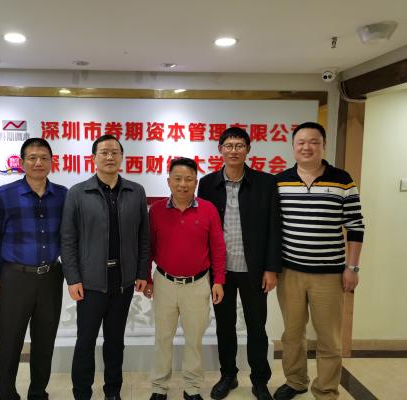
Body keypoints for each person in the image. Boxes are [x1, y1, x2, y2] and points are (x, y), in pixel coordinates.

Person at [273, 122, 364, 400]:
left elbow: (356, 226)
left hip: (329, 274)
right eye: (301, 142)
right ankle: (296, 381)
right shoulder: (280, 181)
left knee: (329, 338)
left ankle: (325, 390)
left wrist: (352, 268)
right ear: (293, 146)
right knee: (292, 334)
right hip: (289, 272)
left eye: (314, 141)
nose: (307, 147)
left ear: (324, 145)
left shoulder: (342, 180)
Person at [61, 134, 150, 400]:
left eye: (115, 152)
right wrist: (72, 278)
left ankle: (113, 392)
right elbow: (68, 239)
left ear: (122, 157)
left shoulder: (136, 191)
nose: (110, 157)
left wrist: (142, 272)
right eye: (104, 152)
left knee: (115, 342)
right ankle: (82, 393)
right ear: (93, 158)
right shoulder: (78, 193)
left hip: (123, 281)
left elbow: (143, 237)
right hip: (90, 283)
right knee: (85, 342)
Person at [198, 127, 281, 400]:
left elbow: (274, 228)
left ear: (248, 150)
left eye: (239, 145)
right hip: (220, 272)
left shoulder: (265, 183)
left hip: (254, 271)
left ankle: (259, 380)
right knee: (224, 326)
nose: (233, 150)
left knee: (257, 327)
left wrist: (271, 268)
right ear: (220, 150)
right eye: (229, 146)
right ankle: (228, 375)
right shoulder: (207, 184)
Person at [0, 138, 67, 400]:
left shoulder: (63, 195)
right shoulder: (5, 194)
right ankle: (5, 393)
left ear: (52, 162)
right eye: (32, 158)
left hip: (51, 277)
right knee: (10, 342)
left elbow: (69, 237)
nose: (38, 163)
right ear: (22, 163)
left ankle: (38, 393)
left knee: (45, 342)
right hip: (15, 277)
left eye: (44, 158)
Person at [144, 157, 226, 400]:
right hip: (164, 283)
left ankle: (192, 388)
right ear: (168, 181)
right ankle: (159, 387)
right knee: (163, 338)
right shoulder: (156, 210)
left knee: (194, 339)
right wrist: (147, 278)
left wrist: (218, 280)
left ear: (195, 182)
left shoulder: (208, 209)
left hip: (198, 284)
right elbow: (148, 247)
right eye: (177, 179)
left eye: (188, 179)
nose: (183, 184)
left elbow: (218, 248)